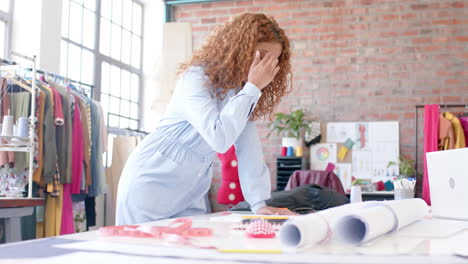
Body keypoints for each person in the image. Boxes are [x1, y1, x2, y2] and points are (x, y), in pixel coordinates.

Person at [116, 13, 295, 225]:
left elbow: (249, 149)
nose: (265, 66)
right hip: (153, 179)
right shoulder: (196, 77)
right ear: (241, 48)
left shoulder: (243, 94)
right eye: (262, 55)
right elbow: (218, 137)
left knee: (191, 253)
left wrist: (259, 204)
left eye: (272, 60)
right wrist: (253, 88)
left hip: (191, 188)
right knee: (141, 253)